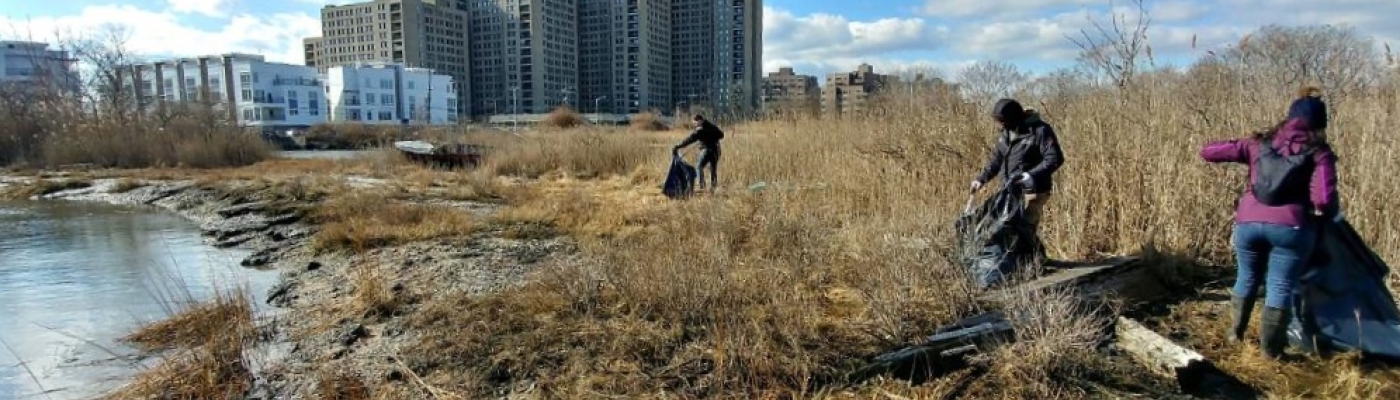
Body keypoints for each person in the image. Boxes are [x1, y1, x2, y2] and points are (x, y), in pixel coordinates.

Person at [1199, 88, 1339, 360]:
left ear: (1289, 118)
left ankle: (1234, 334)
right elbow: (1323, 199)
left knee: (1247, 276)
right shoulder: (1318, 152)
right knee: (1280, 286)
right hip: (1291, 227)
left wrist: (1240, 144)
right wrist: (1325, 216)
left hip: (1248, 222)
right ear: (1321, 124)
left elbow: (1208, 152)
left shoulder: (1258, 143)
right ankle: (1270, 353)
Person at [971, 98, 1065, 265]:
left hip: (1033, 190)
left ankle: (1036, 263)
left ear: (1011, 118)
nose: (998, 125)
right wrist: (981, 179)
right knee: (1010, 228)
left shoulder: (1039, 130)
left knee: (1025, 229)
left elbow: (1054, 158)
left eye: (1001, 121)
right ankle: (1027, 263)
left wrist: (1030, 175)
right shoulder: (1006, 133)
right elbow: (996, 160)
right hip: (1009, 191)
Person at [673, 114, 724, 193]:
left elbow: (689, 140)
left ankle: (702, 186)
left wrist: (678, 146)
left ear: (699, 120)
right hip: (716, 150)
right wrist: (710, 136)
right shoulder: (712, 126)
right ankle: (713, 188)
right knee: (713, 169)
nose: (695, 125)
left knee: (699, 166)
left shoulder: (700, 130)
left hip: (707, 150)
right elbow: (721, 135)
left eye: (695, 123)